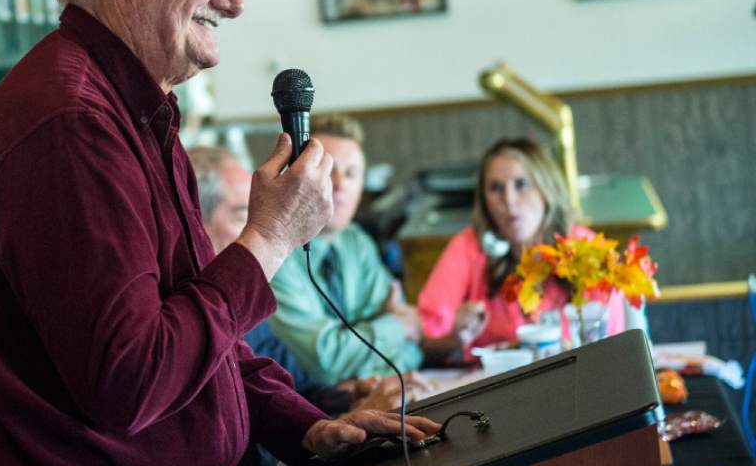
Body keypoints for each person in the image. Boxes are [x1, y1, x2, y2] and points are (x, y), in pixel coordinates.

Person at [0, 0, 438, 466]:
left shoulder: (136, 108)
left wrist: (305, 425)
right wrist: (268, 240)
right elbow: (130, 380)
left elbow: (205, 336)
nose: (233, 1)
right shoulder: (70, 123)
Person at [188, 145, 433, 416]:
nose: (255, 232)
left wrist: (348, 397)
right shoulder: (196, 310)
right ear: (195, 224)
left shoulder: (248, 290)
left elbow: (287, 386)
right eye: (243, 216)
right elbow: (252, 418)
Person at [417, 138, 627, 364]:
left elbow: (615, 344)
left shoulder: (587, 250)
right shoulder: (468, 246)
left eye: (521, 184)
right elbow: (424, 342)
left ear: (547, 190)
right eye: (496, 188)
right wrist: (454, 339)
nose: (508, 200)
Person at [268, 114, 425, 385]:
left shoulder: (356, 242)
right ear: (298, 177)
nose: (341, 185)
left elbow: (411, 353)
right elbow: (327, 361)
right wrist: (397, 327)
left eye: (351, 173)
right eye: (329, 171)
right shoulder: (275, 255)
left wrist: (363, 380)